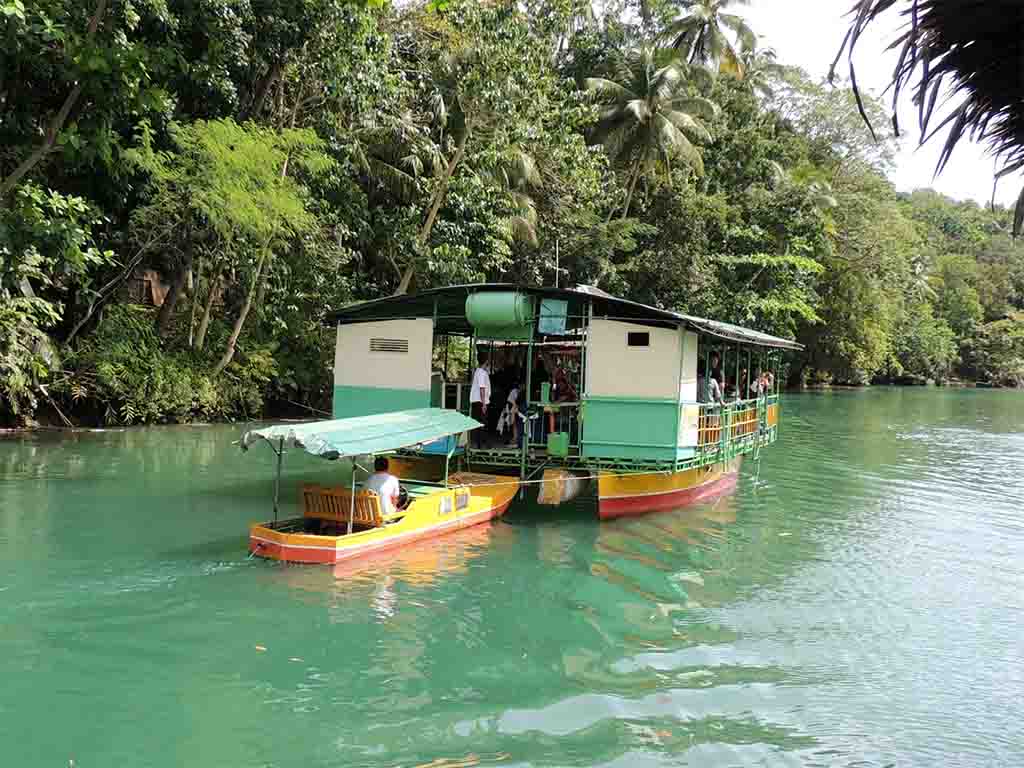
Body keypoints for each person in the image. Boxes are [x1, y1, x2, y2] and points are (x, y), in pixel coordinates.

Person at [470, 350, 490, 448]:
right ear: (486, 361)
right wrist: (484, 404)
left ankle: (480, 443)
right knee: (483, 423)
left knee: (479, 423)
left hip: (477, 401)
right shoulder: (482, 373)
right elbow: (482, 388)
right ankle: (482, 444)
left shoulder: (478, 371)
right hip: (480, 401)